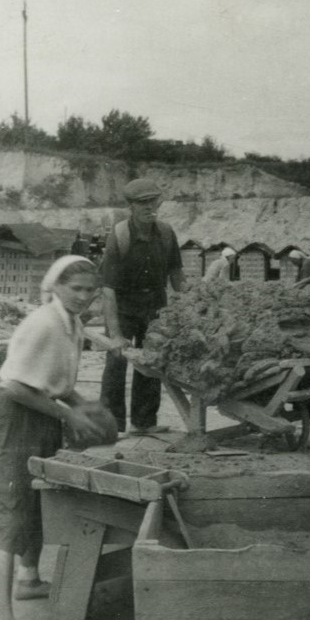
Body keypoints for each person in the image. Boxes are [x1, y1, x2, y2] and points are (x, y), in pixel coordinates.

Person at [0, 256, 110, 620]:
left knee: (38, 502)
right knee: (12, 513)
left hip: (39, 416)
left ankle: (29, 579)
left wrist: (85, 405)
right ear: (56, 286)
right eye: (77, 289)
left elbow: (54, 383)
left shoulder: (72, 323)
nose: (84, 297)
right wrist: (69, 413)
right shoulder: (43, 322)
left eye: (91, 291)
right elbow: (17, 386)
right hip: (13, 418)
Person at [99, 177, 187, 435]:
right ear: (131, 207)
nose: (150, 208)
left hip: (156, 307)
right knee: (116, 363)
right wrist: (115, 334)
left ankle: (144, 422)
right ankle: (111, 425)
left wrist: (192, 301)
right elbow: (108, 289)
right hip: (124, 307)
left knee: (151, 364)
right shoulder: (119, 235)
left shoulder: (167, 233)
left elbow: (177, 275)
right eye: (143, 204)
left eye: (153, 202)